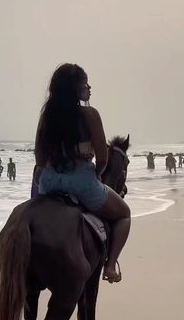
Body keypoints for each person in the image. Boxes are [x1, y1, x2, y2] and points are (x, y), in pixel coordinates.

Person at [35, 63, 131, 283]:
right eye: (85, 84)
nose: (89, 88)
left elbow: (39, 159)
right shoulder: (89, 114)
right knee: (124, 214)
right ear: (75, 88)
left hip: (49, 182)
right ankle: (110, 267)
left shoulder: (47, 115)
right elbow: (103, 157)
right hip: (81, 182)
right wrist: (96, 174)